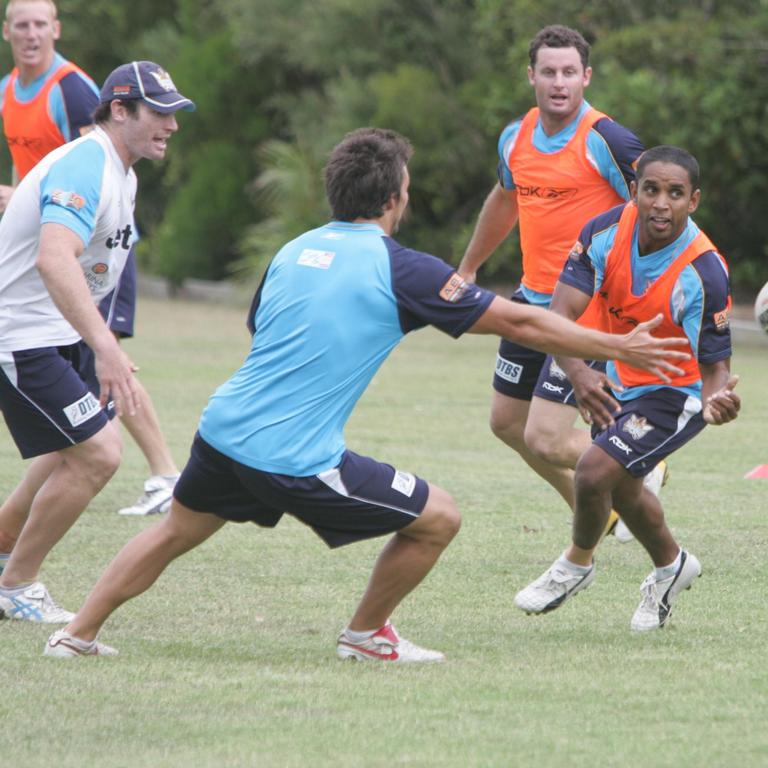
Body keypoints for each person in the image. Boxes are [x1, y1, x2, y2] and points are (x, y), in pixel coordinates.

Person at [40, 127, 690, 660]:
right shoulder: (399, 268)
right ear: (394, 199)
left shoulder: (295, 249)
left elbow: (261, 328)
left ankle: (77, 635)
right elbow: (518, 319)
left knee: (178, 529)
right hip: (293, 457)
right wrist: (618, 348)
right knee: (439, 517)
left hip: (222, 430)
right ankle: (366, 635)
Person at [513, 145, 739, 631]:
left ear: (693, 201)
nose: (661, 203)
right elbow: (561, 314)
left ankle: (575, 564)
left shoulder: (704, 272)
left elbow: (715, 367)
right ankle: (672, 565)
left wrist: (718, 399)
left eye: (675, 193)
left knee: (594, 474)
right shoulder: (604, 232)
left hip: (675, 392)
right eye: (651, 190)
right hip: (619, 376)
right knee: (628, 491)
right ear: (634, 190)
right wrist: (581, 373)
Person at [0, 60, 194, 622]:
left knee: (77, 444)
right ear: (119, 110)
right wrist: (106, 347)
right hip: (20, 335)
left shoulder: (121, 171)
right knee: (98, 455)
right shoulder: (88, 164)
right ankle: (17, 584)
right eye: (160, 114)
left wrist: (96, 344)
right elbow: (53, 257)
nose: (172, 126)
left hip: (53, 332)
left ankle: (6, 546)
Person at [458, 24, 664, 542]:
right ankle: (602, 507)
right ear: (531, 76)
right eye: (548, 71)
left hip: (585, 305)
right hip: (531, 301)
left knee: (546, 438)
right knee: (506, 423)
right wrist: (467, 268)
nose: (559, 82)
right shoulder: (516, 137)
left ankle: (640, 455)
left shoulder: (608, 140)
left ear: (586, 77)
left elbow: (660, 210)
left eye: (569, 72)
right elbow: (505, 201)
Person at [0, 0, 180, 522]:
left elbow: (90, 176)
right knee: (93, 414)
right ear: (7, 31)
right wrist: (28, 204)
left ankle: (164, 471)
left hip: (95, 251)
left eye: (41, 24)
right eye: (22, 25)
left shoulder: (74, 89)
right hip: (52, 272)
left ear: (56, 29)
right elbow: (54, 179)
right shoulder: (10, 90)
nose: (32, 34)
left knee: (102, 383)